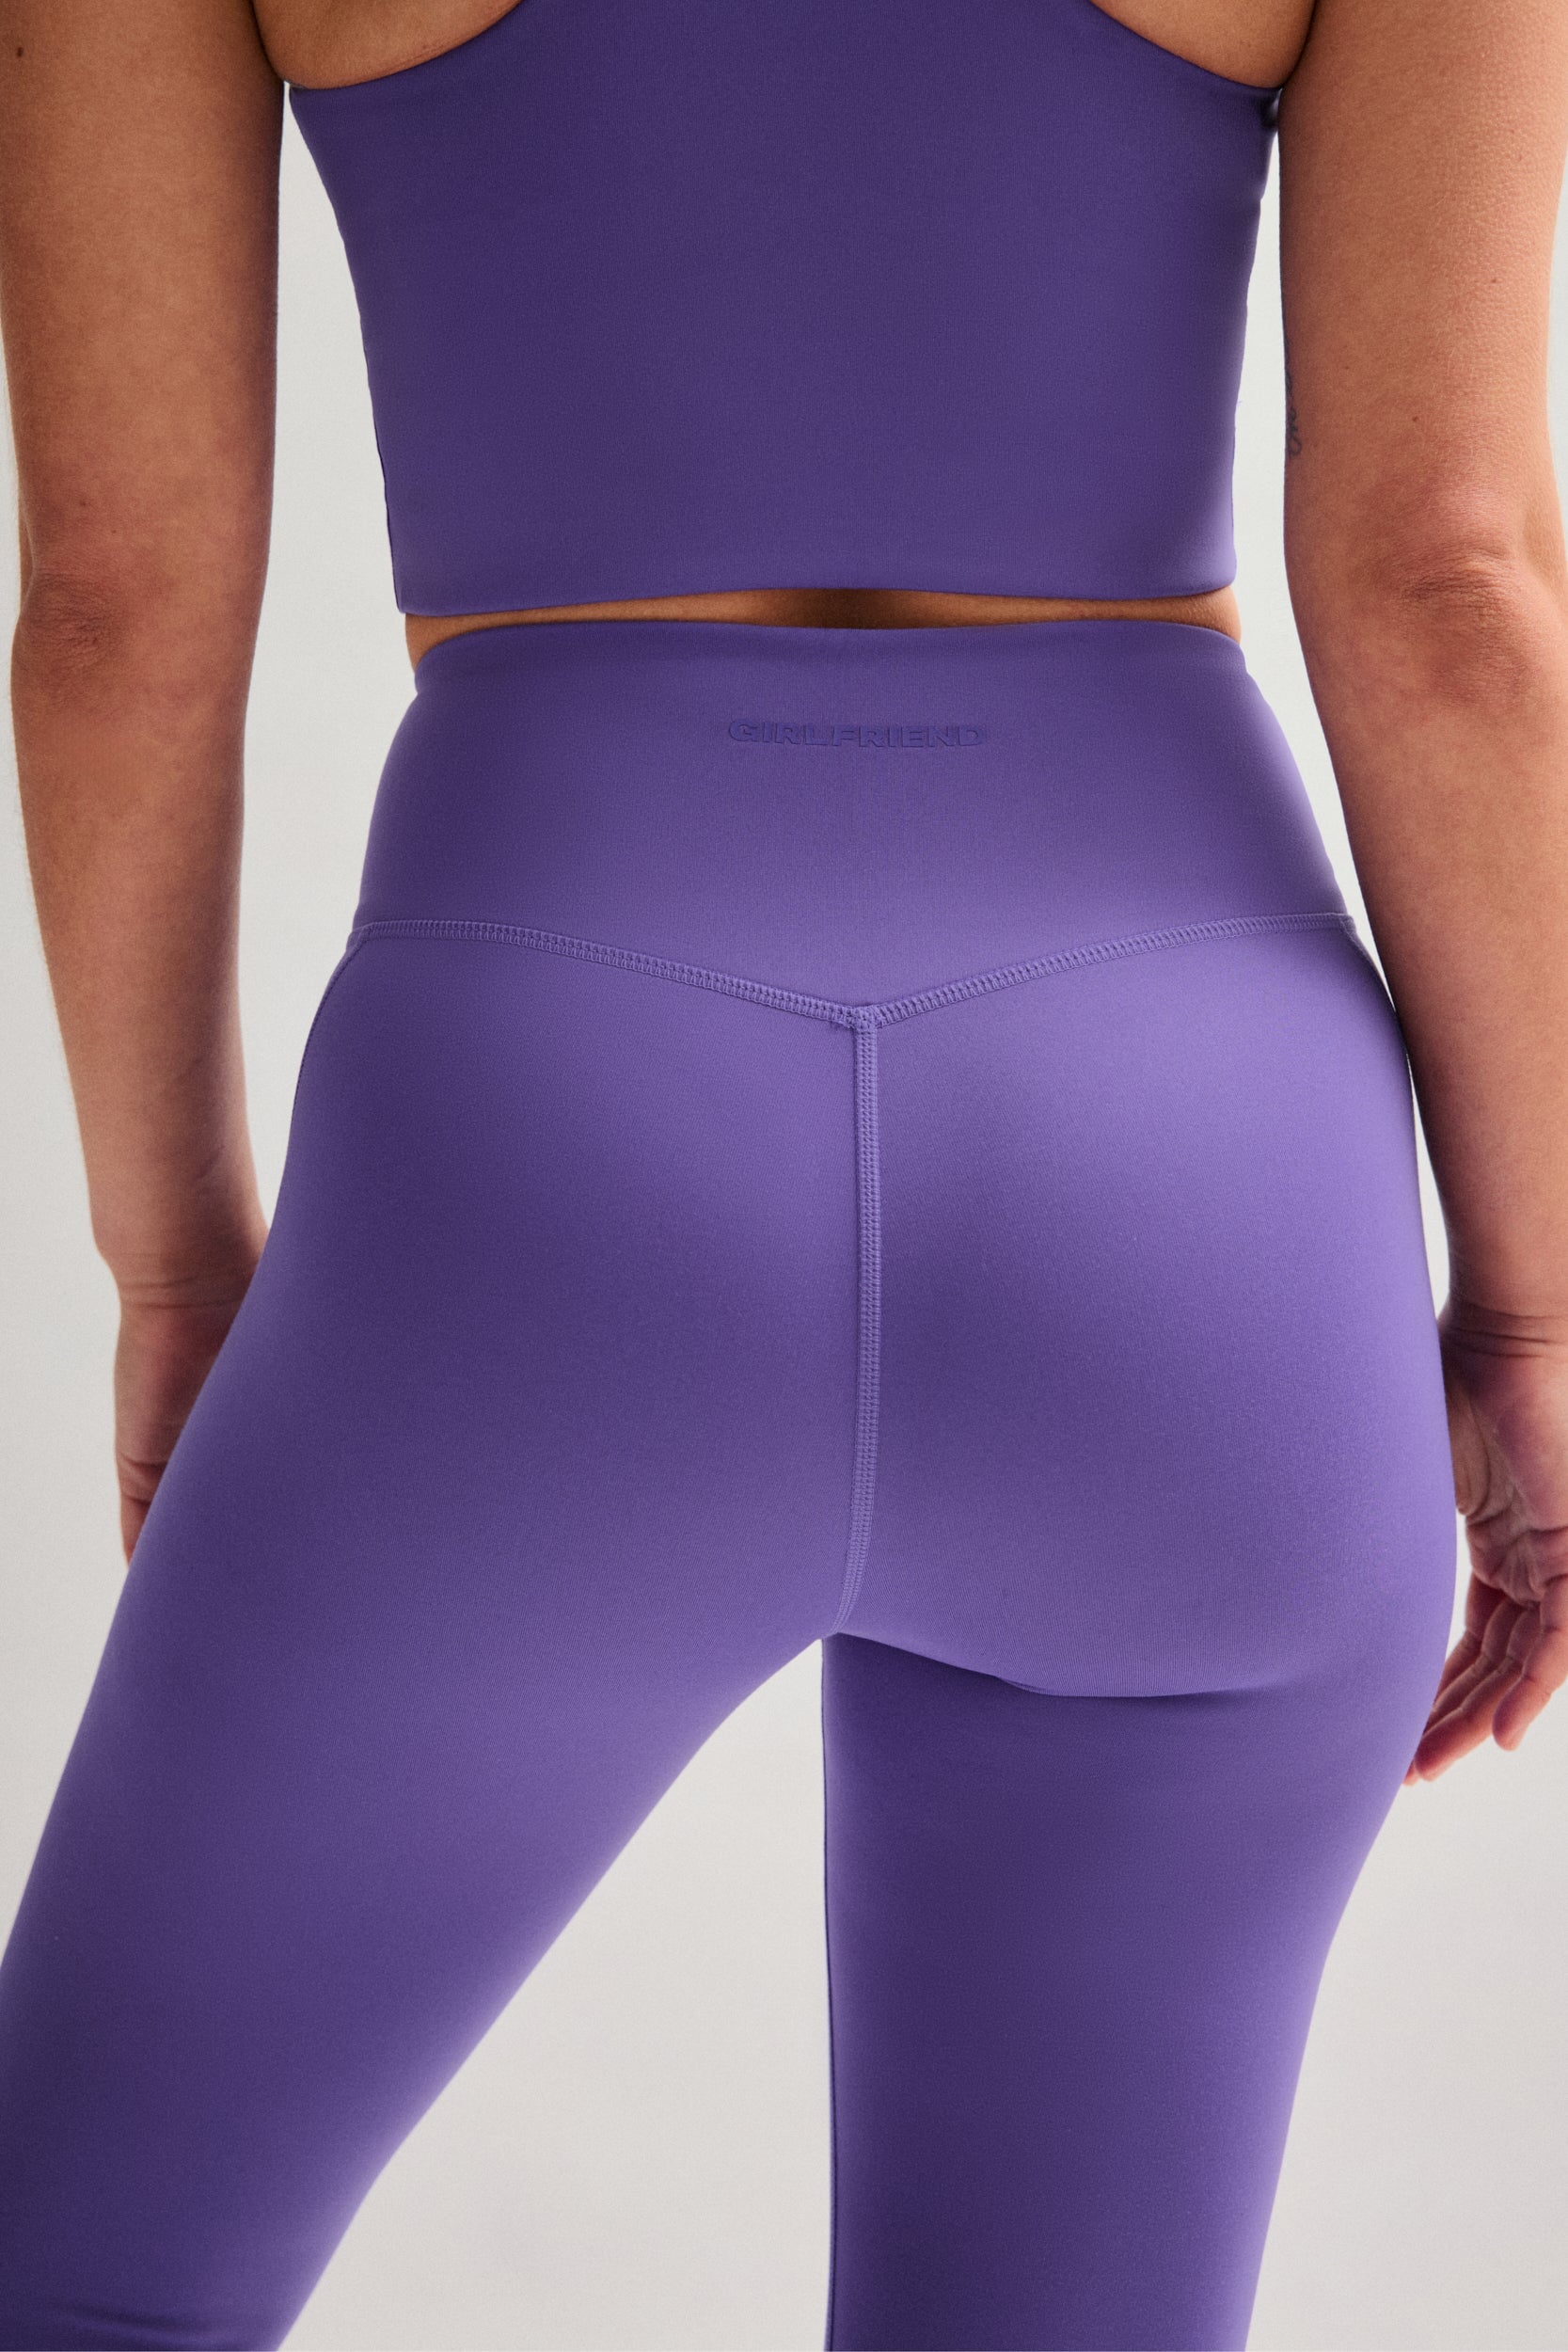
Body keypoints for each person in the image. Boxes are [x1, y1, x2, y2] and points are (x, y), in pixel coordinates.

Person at [1, 0, 1566, 2343]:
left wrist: (176, 1265)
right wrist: (1534, 1309)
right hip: (1207, 1189)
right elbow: (1452, 585)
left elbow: (116, 613)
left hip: (541, 1146)